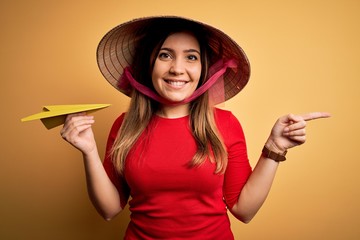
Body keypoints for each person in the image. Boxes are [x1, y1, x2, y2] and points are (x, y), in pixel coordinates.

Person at [60, 16, 330, 239]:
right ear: (148, 65)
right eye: (165, 55)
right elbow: (108, 210)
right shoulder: (124, 126)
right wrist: (89, 150)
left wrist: (274, 149)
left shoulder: (224, 124)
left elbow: (244, 210)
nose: (177, 69)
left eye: (191, 58)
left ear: (204, 70)